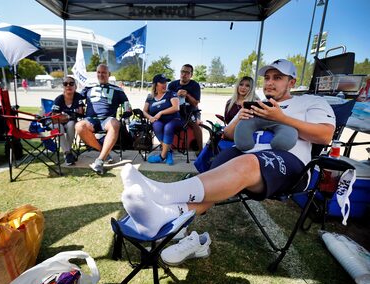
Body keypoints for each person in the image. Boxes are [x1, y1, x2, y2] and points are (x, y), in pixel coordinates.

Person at [120, 59, 336, 263]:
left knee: (247, 162)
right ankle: (164, 215)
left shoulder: (311, 101)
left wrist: (281, 119)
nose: (270, 82)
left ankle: (162, 192)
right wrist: (241, 118)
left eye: (277, 77)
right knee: (220, 168)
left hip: (289, 162)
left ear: (292, 82)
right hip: (246, 158)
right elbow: (228, 135)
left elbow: (325, 136)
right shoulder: (256, 103)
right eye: (267, 77)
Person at [75, 64, 131, 175]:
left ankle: (99, 161)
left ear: (109, 74)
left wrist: (127, 113)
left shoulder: (117, 90)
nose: (101, 75)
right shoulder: (88, 88)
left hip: (107, 120)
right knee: (79, 126)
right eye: (99, 72)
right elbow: (76, 99)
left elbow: (127, 106)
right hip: (91, 120)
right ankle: (104, 151)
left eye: (104, 72)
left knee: (115, 123)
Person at [143, 74, 182, 165]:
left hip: (174, 119)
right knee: (156, 125)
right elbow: (144, 111)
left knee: (168, 127)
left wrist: (161, 112)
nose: (165, 84)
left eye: (165, 82)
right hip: (159, 121)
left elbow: (176, 107)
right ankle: (168, 152)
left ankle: (162, 156)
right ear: (155, 84)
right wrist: (150, 117)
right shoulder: (150, 97)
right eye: (162, 82)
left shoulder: (171, 93)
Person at [168, 64, 203, 152]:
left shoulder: (195, 85)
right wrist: (176, 94)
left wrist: (187, 95)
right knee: (163, 121)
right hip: (175, 111)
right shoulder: (172, 85)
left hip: (190, 111)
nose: (184, 74)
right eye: (182, 71)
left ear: (191, 75)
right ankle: (166, 148)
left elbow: (195, 103)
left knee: (194, 124)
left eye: (187, 72)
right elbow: (167, 101)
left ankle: (200, 150)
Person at [51, 76, 85, 165]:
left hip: (69, 122)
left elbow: (81, 112)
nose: (68, 86)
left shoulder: (78, 96)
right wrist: (71, 114)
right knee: (59, 127)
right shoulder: (59, 99)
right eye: (65, 84)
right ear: (63, 87)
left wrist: (64, 116)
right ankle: (68, 153)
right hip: (57, 123)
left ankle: (67, 153)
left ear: (75, 86)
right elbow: (54, 117)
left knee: (71, 124)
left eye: (71, 83)